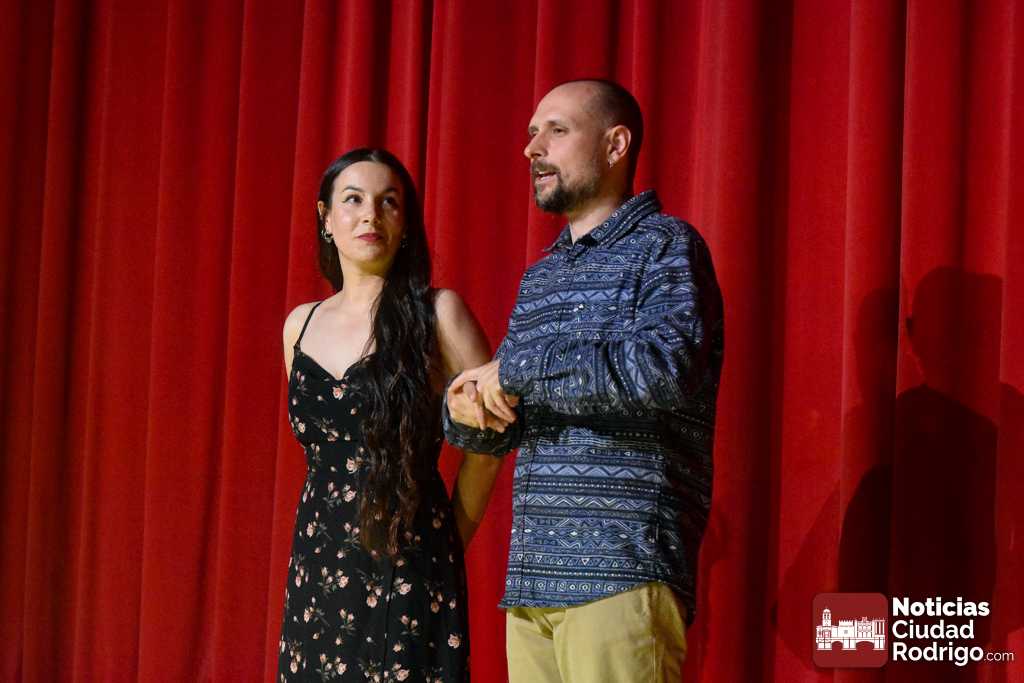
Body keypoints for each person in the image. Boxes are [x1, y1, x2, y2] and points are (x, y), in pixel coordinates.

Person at [443, 80, 724, 682]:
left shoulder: (666, 247)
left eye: (557, 130)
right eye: (531, 134)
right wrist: (465, 407)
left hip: (620, 570)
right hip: (532, 585)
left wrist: (518, 369)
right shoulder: (541, 278)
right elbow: (511, 410)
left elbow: (662, 370)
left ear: (615, 145)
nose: (532, 148)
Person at [278, 148, 501, 682]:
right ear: (326, 217)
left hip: (409, 562)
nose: (370, 216)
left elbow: (490, 446)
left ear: (405, 223)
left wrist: (446, 541)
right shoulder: (299, 325)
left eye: (388, 202)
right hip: (317, 562)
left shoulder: (439, 313)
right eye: (353, 200)